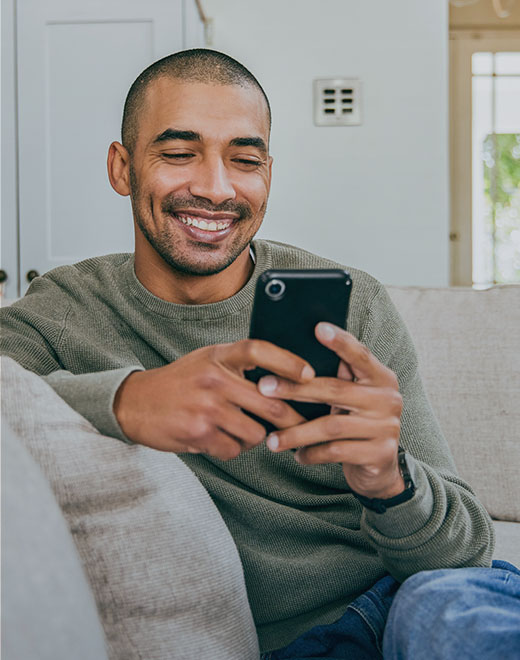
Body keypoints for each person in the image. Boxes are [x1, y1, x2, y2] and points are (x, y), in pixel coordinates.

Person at [1, 49, 519, 659]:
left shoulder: (355, 305)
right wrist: (128, 400)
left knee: (455, 617)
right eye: (177, 153)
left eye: (244, 160)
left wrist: (389, 478)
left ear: (267, 174)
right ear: (122, 167)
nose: (216, 188)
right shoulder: (67, 307)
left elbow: (464, 555)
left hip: (408, 603)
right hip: (298, 644)